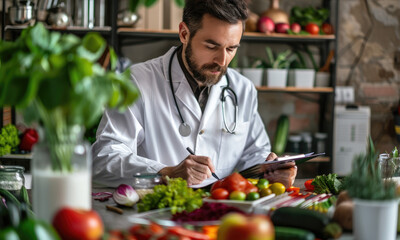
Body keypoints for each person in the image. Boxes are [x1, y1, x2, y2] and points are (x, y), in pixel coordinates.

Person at [92, 0, 297, 188]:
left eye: (231, 48)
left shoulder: (242, 88)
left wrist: (270, 169)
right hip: (158, 211)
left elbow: (254, 153)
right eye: (211, 46)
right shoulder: (136, 81)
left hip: (222, 209)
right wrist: (165, 173)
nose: (222, 60)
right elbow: (104, 158)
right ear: (184, 34)